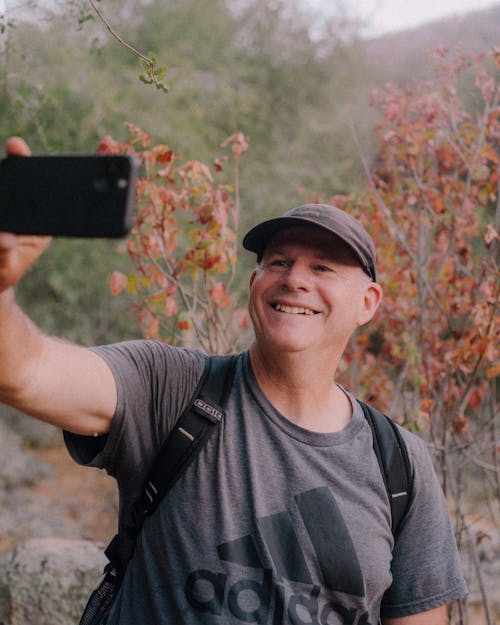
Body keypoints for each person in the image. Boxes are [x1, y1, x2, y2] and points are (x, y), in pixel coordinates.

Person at [0, 137, 467, 625]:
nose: (295, 280)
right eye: (279, 262)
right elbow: (25, 373)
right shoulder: (172, 389)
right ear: (254, 284)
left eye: (322, 267)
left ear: (368, 303)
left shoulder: (398, 463)